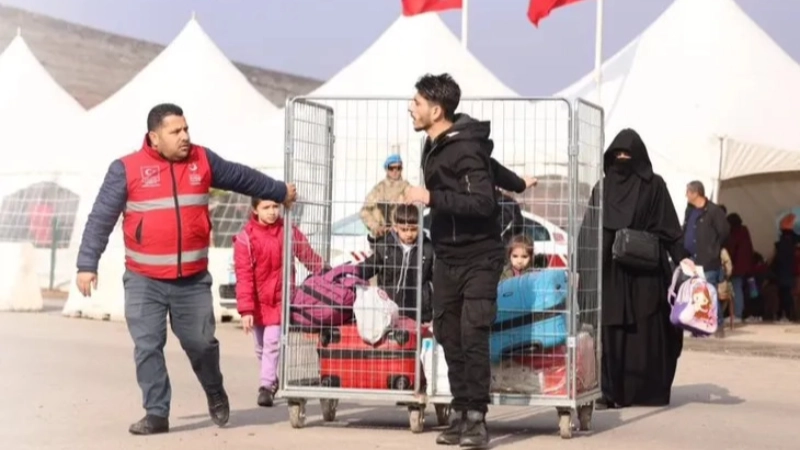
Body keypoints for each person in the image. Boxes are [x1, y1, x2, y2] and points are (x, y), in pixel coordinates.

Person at [75, 103, 297, 435]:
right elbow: (100, 217)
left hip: (191, 280)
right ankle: (156, 413)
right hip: (144, 279)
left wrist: (278, 191)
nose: (184, 136)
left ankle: (214, 390)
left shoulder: (201, 160)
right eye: (175, 131)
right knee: (148, 345)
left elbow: (241, 177)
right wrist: (86, 263)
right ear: (154, 137)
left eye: (186, 129)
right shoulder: (126, 169)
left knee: (202, 343)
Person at [403, 73, 533, 448]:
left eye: (417, 102)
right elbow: (492, 168)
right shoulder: (436, 144)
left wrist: (430, 198)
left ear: (436, 111)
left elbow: (482, 202)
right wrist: (519, 182)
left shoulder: (464, 147)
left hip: (479, 256)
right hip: (447, 255)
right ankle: (460, 413)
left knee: (472, 334)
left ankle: (476, 418)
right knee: (447, 334)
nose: (411, 108)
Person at [577, 128, 686, 409]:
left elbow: (669, 226)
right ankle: (610, 391)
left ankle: (646, 392)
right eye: (618, 154)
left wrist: (683, 257)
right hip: (611, 273)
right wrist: (582, 268)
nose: (623, 159)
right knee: (611, 332)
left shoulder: (655, 186)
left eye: (628, 155)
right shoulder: (602, 189)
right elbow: (589, 231)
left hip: (645, 273)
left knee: (647, 330)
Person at [234, 197, 324, 408]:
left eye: (275, 206)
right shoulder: (245, 239)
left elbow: (307, 255)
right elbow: (244, 276)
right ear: (255, 209)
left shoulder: (288, 231)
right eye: (266, 207)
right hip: (258, 302)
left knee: (272, 343)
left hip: (281, 299)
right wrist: (246, 310)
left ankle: (266, 386)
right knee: (260, 347)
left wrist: (324, 270)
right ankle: (271, 378)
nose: (272, 211)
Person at [358, 204, 434, 322]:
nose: (409, 234)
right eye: (404, 229)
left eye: (413, 229)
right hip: (387, 310)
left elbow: (437, 278)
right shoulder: (386, 246)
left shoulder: (428, 248)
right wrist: (352, 273)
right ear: (395, 227)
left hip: (419, 313)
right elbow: (368, 266)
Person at [683, 181, 730, 336]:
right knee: (695, 294)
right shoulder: (690, 211)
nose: (686, 195)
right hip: (692, 260)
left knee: (709, 293)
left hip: (708, 260)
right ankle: (698, 326)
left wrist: (713, 249)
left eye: (688, 192)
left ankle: (717, 325)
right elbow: (686, 229)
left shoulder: (713, 211)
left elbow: (724, 232)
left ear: (696, 193)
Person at [360, 154, 410, 243]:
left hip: (402, 238)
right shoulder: (378, 190)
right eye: (391, 168)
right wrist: (376, 227)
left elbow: (415, 213)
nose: (395, 171)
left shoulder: (407, 188)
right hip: (381, 238)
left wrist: (401, 228)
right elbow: (364, 211)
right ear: (386, 169)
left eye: (398, 168)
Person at [725, 213, 754, 320]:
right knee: (746, 290)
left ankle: (737, 314)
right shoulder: (744, 232)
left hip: (737, 267)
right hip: (747, 267)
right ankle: (744, 313)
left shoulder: (734, 234)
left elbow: (731, 251)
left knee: (736, 289)